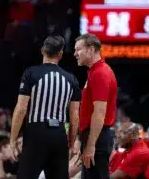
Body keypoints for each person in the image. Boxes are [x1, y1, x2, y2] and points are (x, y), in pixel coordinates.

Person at [10, 35, 81, 179]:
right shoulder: (71, 79)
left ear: (42, 50)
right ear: (60, 54)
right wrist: (71, 143)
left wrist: (13, 139)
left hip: (36, 133)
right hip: (59, 135)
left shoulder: (31, 73)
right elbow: (74, 117)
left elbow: (21, 109)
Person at [74, 33, 117, 179]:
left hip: (98, 137)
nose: (75, 54)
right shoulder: (94, 72)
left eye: (78, 49)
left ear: (91, 50)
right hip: (95, 136)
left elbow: (99, 112)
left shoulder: (100, 73)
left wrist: (91, 145)